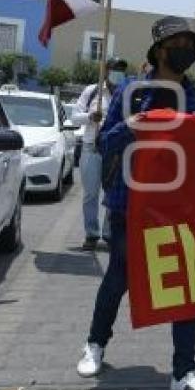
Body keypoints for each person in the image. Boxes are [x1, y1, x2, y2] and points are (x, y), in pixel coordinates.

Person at [76, 16, 195, 390]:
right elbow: (105, 142)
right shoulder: (131, 93)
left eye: (190, 44)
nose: (185, 50)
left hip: (179, 205)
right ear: (159, 50)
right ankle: (95, 345)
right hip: (130, 203)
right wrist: (131, 127)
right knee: (118, 277)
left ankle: (183, 373)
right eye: (178, 43)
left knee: (185, 284)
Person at [72, 57, 128, 250]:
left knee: (113, 195)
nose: (117, 72)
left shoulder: (127, 93)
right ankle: (91, 233)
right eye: (114, 68)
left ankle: (109, 233)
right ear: (106, 71)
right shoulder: (92, 91)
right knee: (90, 194)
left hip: (116, 152)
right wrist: (90, 117)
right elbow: (74, 116)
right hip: (91, 148)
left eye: (121, 69)